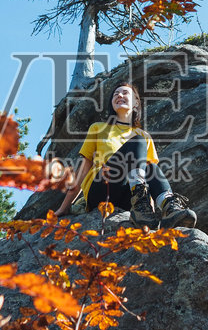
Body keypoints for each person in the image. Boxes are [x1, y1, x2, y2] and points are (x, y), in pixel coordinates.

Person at [55, 81, 197, 228]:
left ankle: (169, 207)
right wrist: (64, 207)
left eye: (125, 93)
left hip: (128, 198)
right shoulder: (98, 128)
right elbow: (84, 169)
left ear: (136, 103)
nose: (119, 95)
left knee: (150, 166)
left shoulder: (144, 135)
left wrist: (150, 219)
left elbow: (149, 175)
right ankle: (141, 203)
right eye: (115, 94)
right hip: (102, 190)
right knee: (138, 142)